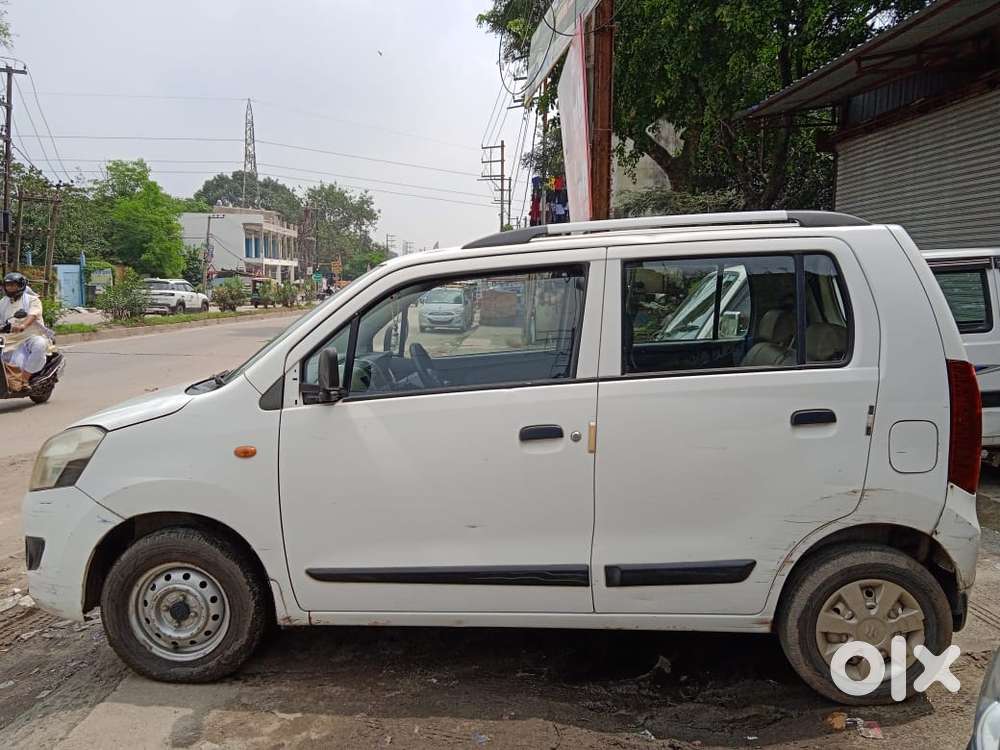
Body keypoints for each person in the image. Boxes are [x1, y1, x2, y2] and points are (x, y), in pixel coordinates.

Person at [1, 272, 53, 391]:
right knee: (10, 361)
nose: (10, 288)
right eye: (8, 285)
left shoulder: (32, 300)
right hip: (11, 338)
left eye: (13, 285)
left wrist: (23, 325)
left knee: (40, 344)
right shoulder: (3, 302)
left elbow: (33, 315)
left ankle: (24, 380)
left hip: (31, 335)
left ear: (21, 286)